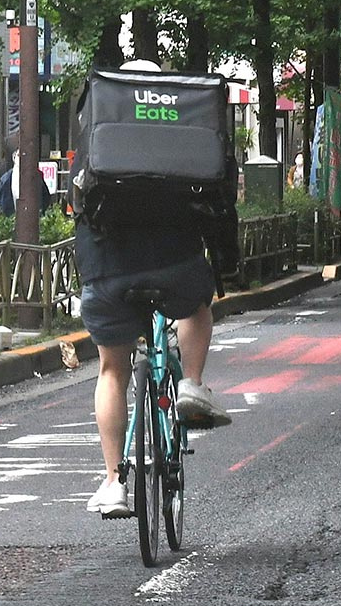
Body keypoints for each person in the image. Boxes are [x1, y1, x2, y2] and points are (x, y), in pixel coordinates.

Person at [76, 59, 232, 519]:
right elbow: (219, 198)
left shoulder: (97, 123)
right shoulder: (187, 122)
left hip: (108, 271)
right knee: (196, 308)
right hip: (176, 263)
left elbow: (79, 202)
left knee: (111, 371)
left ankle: (113, 484)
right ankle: (193, 385)